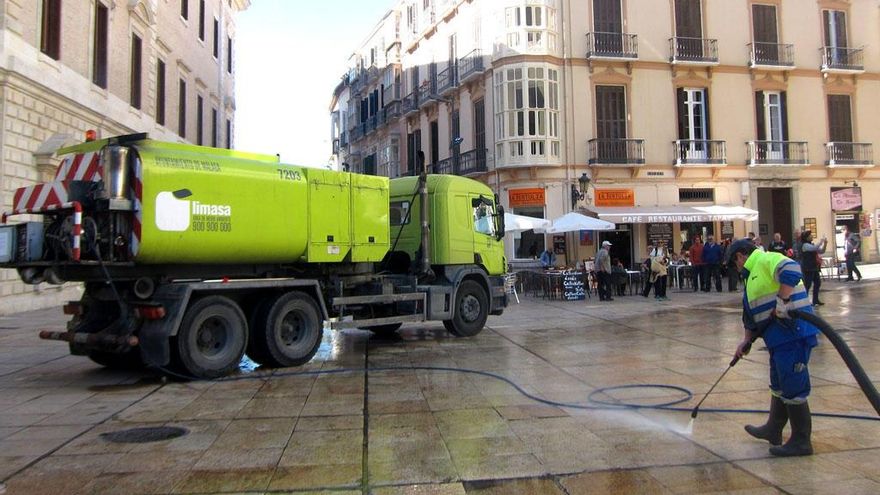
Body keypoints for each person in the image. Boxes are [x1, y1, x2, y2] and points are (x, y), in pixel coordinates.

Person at [725, 237, 819, 457]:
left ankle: (801, 441)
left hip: (793, 334)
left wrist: (782, 300)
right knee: (779, 383)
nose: (734, 267)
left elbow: (792, 268)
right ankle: (773, 428)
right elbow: (751, 314)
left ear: (740, 255)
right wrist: (746, 340)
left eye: (733, 262)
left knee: (793, 386)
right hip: (777, 340)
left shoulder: (766, 259)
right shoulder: (750, 277)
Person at [799, 231, 827, 306]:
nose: (812, 236)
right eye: (810, 235)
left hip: (814, 267)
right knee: (807, 285)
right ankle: (804, 301)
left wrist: (825, 244)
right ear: (806, 237)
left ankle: (815, 300)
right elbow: (814, 248)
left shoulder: (811, 244)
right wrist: (821, 241)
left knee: (817, 283)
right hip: (808, 268)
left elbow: (821, 251)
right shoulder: (805, 245)